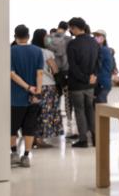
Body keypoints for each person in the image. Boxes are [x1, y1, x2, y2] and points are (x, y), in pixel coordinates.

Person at [10, 25, 43, 168]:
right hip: (34, 97)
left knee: (12, 127)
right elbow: (40, 73)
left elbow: (11, 74)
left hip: (16, 96)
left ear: (15, 36)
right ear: (28, 36)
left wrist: (27, 87)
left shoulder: (11, 51)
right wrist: (37, 91)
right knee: (29, 127)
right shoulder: (37, 51)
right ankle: (26, 156)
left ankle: (14, 154)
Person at [66, 17, 100, 148]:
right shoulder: (94, 42)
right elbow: (98, 61)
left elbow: (73, 67)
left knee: (79, 111)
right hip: (90, 84)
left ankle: (83, 139)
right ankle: (96, 138)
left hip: (77, 84)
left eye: (71, 28)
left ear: (74, 28)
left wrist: (85, 78)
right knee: (90, 109)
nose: (70, 30)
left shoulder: (72, 44)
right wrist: (93, 76)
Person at [31, 29, 62, 148]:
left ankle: (32, 137)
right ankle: (40, 139)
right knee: (45, 113)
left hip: (32, 86)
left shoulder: (30, 51)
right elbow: (55, 69)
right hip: (47, 85)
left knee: (33, 113)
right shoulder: (47, 53)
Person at [47, 20, 74, 138]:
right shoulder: (69, 39)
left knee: (55, 101)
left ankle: (54, 125)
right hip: (66, 72)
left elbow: (47, 47)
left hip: (53, 73)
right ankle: (69, 125)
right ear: (67, 28)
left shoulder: (48, 37)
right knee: (68, 101)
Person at [93, 30, 114, 104]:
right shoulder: (106, 49)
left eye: (98, 36)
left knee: (100, 104)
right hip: (104, 82)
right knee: (100, 104)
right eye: (95, 36)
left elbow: (97, 65)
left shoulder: (103, 50)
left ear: (104, 38)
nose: (96, 38)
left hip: (102, 82)